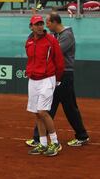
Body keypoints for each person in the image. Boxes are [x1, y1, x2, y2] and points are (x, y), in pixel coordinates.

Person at [26, 12, 90, 147]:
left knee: (68, 107)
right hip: (53, 76)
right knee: (47, 108)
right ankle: (39, 138)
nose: (46, 26)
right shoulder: (55, 36)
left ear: (55, 22)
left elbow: (53, 53)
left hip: (64, 75)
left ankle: (81, 135)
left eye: (47, 23)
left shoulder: (66, 36)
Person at [25, 15, 64, 156]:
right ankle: (42, 143)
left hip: (48, 79)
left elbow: (59, 61)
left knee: (42, 111)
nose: (40, 26)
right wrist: (30, 71)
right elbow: (30, 60)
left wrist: (57, 79)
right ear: (31, 27)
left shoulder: (51, 41)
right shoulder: (29, 41)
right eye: (37, 24)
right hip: (33, 79)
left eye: (42, 23)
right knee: (37, 113)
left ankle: (55, 142)